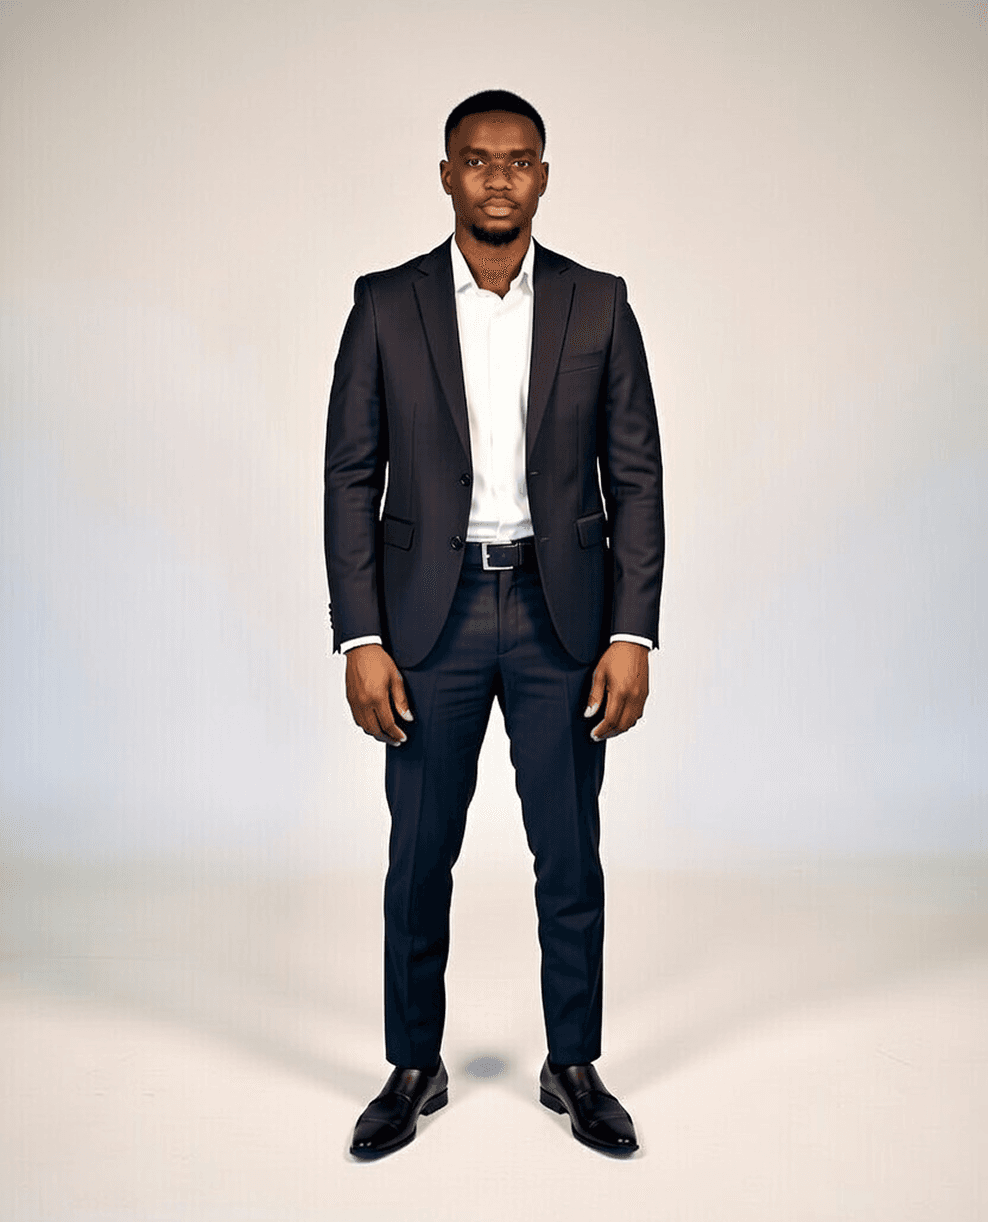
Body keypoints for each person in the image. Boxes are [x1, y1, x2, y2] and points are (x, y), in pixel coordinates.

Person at [324, 89, 664, 1158]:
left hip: (566, 620)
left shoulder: (598, 303)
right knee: (419, 856)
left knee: (569, 855)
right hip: (433, 620)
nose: (499, 178)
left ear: (544, 177)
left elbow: (636, 477)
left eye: (519, 160)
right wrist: (360, 636)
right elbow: (349, 478)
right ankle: (411, 1066)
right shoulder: (385, 304)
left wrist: (632, 632)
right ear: (446, 175)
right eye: (477, 160)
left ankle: (574, 1064)